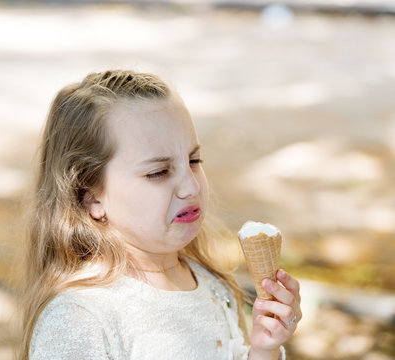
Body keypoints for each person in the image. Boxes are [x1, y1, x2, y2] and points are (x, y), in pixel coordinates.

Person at [17, 70, 302, 360]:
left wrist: (264, 348)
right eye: (158, 172)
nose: (190, 187)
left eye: (193, 160)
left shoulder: (214, 287)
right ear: (91, 196)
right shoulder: (79, 319)